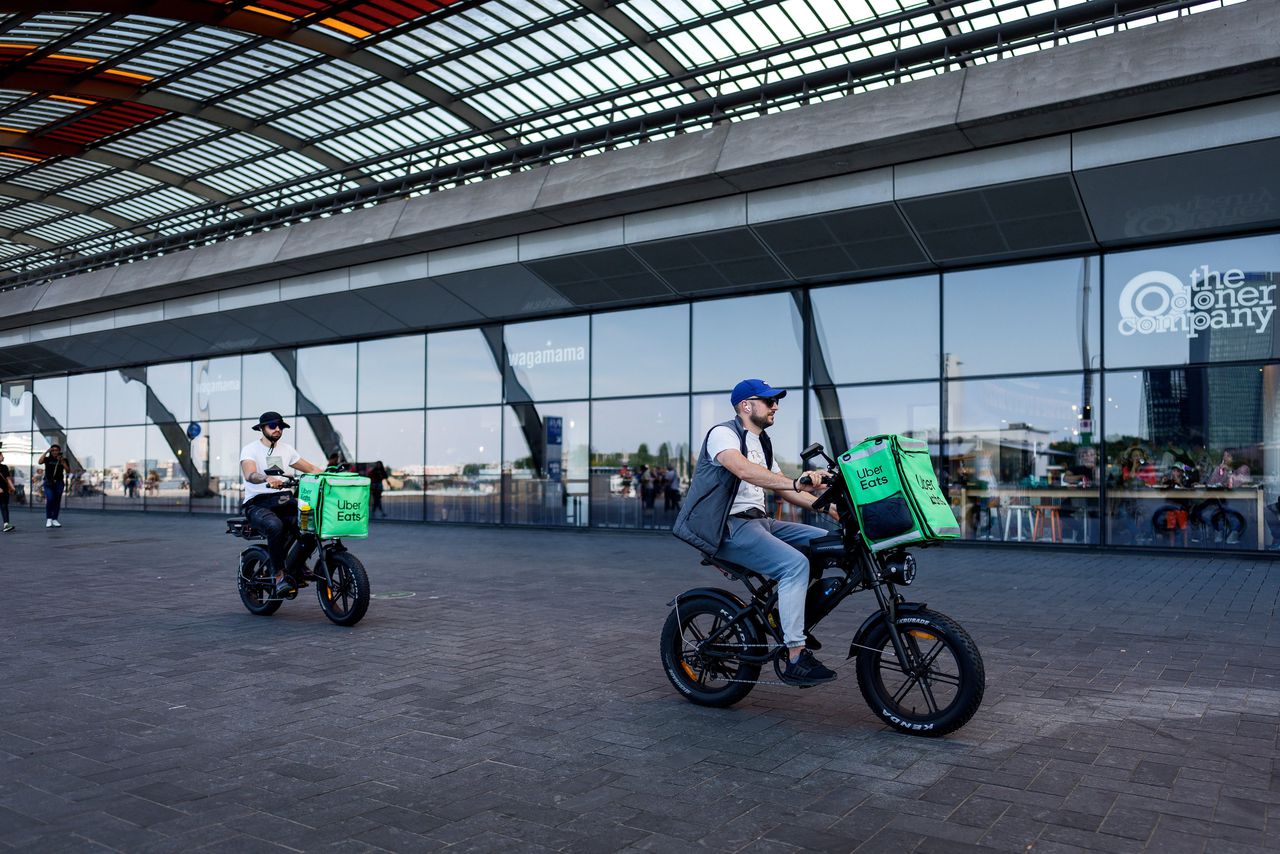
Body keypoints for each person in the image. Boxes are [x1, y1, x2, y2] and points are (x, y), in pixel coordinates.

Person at [673, 379, 837, 687]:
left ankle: (780, 616)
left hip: (761, 522)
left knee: (825, 544)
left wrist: (826, 508)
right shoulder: (724, 434)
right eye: (768, 400)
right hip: (729, 526)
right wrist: (797, 482)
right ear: (746, 405)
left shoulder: (763, 442)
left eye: (776, 400)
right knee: (794, 565)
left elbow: (784, 488)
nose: (775, 405)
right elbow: (744, 470)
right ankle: (796, 657)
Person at [240, 411, 322, 598]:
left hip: (285, 501)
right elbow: (249, 474)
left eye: (280, 426)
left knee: (311, 526)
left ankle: (296, 566)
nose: (277, 429)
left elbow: (311, 469)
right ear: (262, 428)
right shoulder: (250, 450)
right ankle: (279, 576)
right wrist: (266, 478)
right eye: (272, 425)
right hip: (258, 503)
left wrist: (333, 476)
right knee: (274, 526)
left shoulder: (287, 449)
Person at [37, 443, 71, 528]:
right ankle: (49, 518)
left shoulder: (64, 460)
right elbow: (40, 461)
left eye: (56, 450)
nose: (55, 452)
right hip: (48, 482)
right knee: (50, 498)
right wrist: (46, 451)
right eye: (53, 450)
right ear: (50, 451)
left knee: (57, 500)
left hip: (59, 482)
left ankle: (55, 519)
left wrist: (62, 462)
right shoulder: (47, 459)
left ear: (59, 451)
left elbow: (68, 471)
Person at [0, 449, 14, 532]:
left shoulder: (4, 467)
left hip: (4, 490)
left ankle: (6, 524)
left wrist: (12, 487)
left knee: (4, 506)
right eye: (1, 455)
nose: (3, 457)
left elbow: (7, 478)